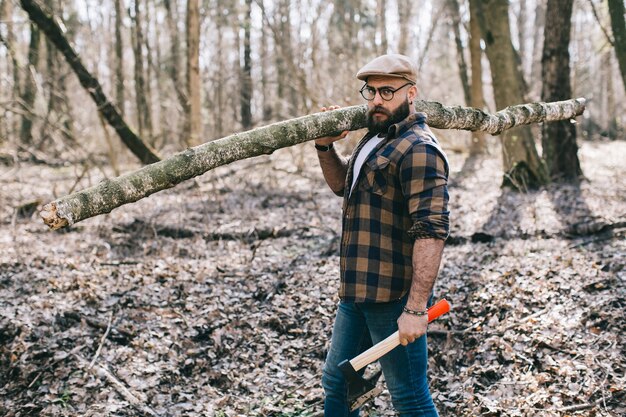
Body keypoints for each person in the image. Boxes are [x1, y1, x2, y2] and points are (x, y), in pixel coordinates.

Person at [314, 54, 450, 416]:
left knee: (408, 396)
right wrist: (325, 147)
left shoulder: (419, 148)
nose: (376, 100)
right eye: (371, 91)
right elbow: (343, 184)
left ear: (411, 93)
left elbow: (431, 231)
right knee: (337, 383)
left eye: (387, 91)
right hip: (356, 292)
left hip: (394, 298)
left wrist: (416, 308)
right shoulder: (374, 138)